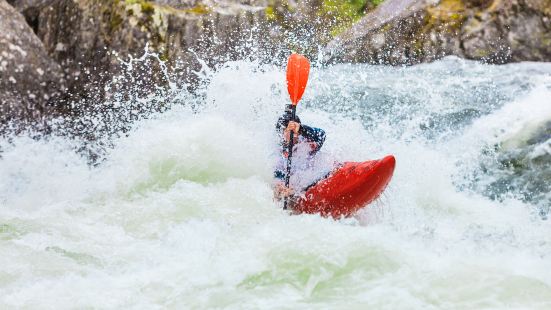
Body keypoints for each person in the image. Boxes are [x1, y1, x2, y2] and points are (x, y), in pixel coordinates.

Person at [273, 106, 326, 205]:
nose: (295, 135)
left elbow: (322, 135)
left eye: (295, 131)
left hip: (315, 181)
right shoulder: (278, 154)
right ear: (281, 133)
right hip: (296, 190)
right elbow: (277, 175)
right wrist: (282, 187)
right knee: (277, 192)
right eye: (289, 131)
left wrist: (301, 129)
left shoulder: (306, 143)